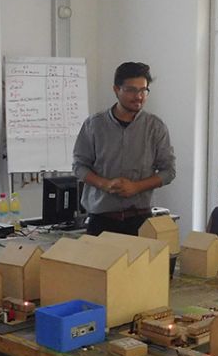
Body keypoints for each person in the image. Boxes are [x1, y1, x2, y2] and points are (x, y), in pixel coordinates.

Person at [73, 61, 175, 236]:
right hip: (101, 220)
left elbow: (169, 172)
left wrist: (137, 187)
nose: (139, 96)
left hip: (140, 220)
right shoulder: (94, 125)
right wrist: (104, 184)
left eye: (143, 90)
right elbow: (79, 167)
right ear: (116, 89)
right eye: (131, 90)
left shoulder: (155, 127)